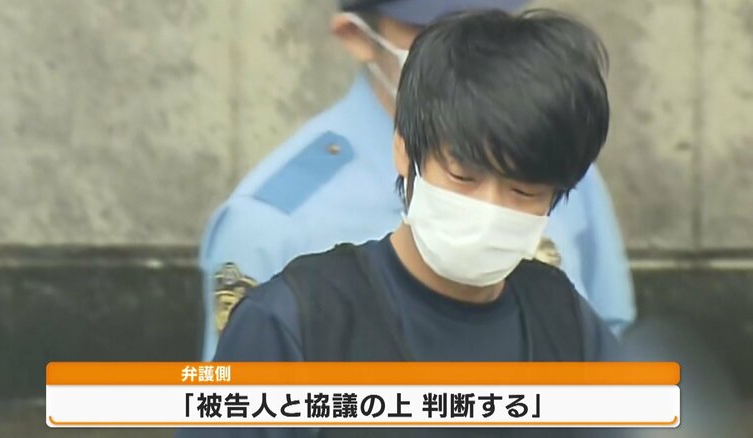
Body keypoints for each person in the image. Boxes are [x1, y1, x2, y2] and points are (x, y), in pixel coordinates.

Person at [181, 9, 623, 438]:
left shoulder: (567, 324)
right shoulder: (296, 323)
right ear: (405, 151)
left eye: (523, 192)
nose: (489, 208)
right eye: (463, 176)